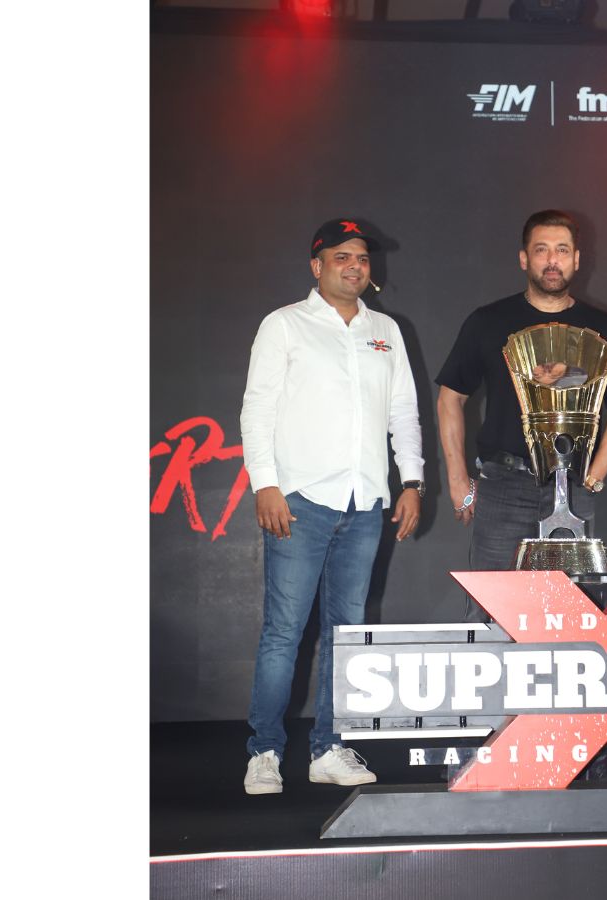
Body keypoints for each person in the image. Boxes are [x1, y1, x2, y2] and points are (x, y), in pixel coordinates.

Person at [238, 217, 424, 795]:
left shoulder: (386, 330)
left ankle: (329, 748)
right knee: (284, 631)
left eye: (362, 258)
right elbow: (257, 408)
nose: (354, 266)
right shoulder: (285, 324)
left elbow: (403, 412)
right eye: (342, 257)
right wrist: (265, 484)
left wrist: (412, 481)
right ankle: (264, 752)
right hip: (299, 500)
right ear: (317, 266)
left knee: (348, 633)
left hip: (364, 502)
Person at [436, 210, 607, 618]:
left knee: (569, 614)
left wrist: (592, 478)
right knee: (491, 611)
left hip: (572, 488)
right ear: (524, 258)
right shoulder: (488, 322)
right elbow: (450, 397)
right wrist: (458, 478)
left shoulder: (604, 329)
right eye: (541, 250)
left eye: (562, 250)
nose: (552, 260)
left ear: (577, 259)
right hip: (503, 486)